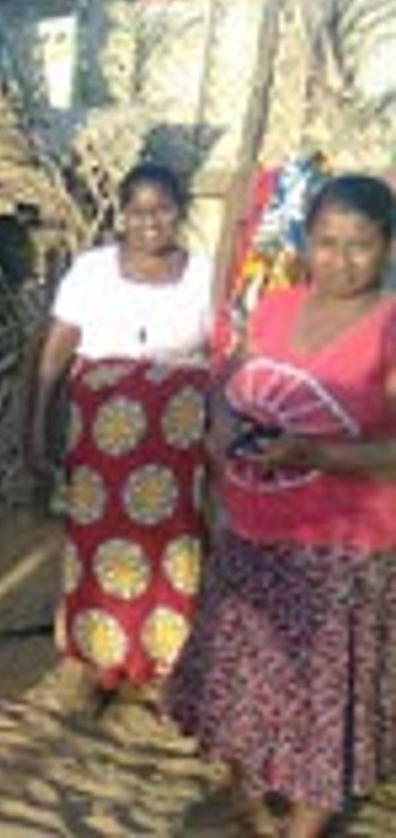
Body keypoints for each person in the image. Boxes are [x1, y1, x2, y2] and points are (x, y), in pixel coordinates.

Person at [166, 174, 396, 838]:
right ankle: (250, 806)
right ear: (305, 240)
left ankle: (302, 827)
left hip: (344, 552)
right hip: (254, 529)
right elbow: (233, 378)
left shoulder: (389, 327)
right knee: (241, 675)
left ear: (387, 246)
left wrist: (315, 454)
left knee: (320, 701)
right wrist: (219, 422)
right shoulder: (275, 307)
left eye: (359, 245)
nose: (340, 260)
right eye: (326, 242)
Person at [27, 163, 213, 714]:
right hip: (101, 442)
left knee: (173, 550)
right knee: (96, 545)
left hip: (177, 445)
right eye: (138, 210)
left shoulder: (205, 274)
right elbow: (56, 354)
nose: (150, 221)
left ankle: (161, 667)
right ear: (122, 215)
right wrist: (36, 426)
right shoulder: (91, 272)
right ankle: (96, 664)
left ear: (180, 211)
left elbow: (225, 355)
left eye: (163, 209)